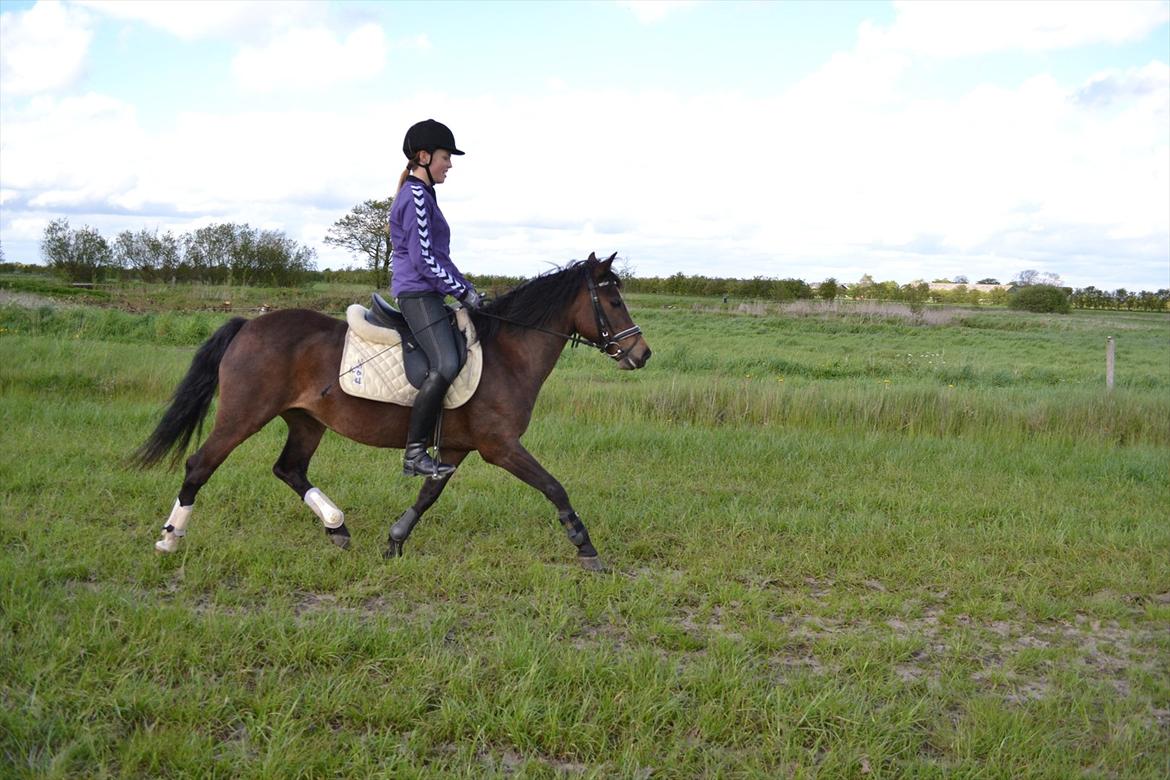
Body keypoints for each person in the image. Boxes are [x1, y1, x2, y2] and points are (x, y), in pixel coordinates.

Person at [389, 119, 484, 478]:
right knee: (445, 363)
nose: (450, 164)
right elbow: (423, 260)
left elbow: (439, 258)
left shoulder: (425, 195)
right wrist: (461, 291)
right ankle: (415, 453)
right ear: (424, 157)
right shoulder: (414, 196)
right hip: (417, 294)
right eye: (446, 156)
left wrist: (467, 286)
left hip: (428, 292)